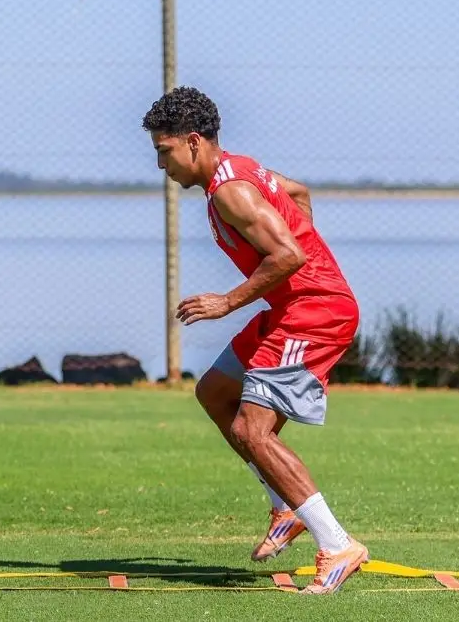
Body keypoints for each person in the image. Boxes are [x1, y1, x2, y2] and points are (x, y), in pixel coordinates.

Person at [142, 86, 367, 595]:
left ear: (193, 142)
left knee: (252, 429)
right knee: (215, 392)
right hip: (291, 307)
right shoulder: (240, 169)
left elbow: (287, 255)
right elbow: (301, 194)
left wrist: (226, 302)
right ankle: (285, 504)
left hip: (315, 315)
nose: (161, 165)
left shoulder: (229, 190)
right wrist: (304, 254)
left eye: (164, 151)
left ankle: (337, 545)